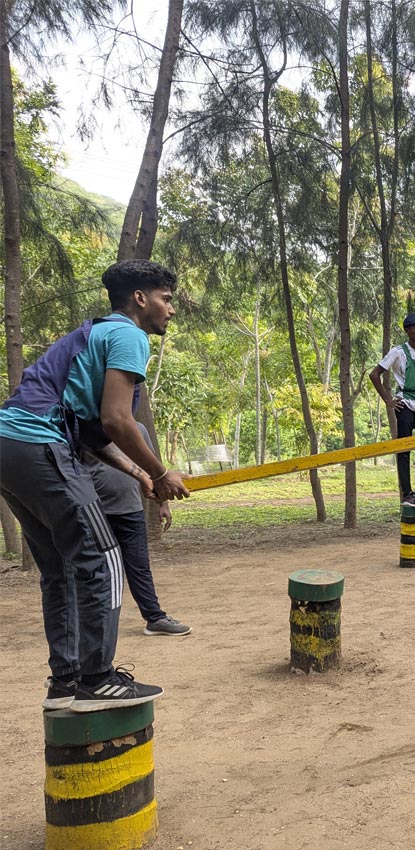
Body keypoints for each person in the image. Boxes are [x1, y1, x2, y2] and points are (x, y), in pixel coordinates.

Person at [0, 259, 189, 712]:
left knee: (62, 569)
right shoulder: (128, 335)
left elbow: (92, 433)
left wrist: (140, 474)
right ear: (140, 298)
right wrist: (161, 473)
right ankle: (98, 680)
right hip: (39, 444)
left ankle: (66, 683)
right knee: (103, 557)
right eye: (166, 299)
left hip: (10, 446)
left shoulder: (91, 334)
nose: (170, 309)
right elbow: (117, 420)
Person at [82, 423, 191, 636]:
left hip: (131, 510)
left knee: (139, 567)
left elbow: (154, 469)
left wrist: (163, 503)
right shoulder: (85, 427)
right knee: (97, 569)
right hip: (95, 511)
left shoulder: (138, 429)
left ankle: (155, 618)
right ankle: (93, 622)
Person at [370, 313, 415, 508]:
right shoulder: (398, 352)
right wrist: (388, 400)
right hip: (405, 404)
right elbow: (374, 374)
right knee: (404, 448)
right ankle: (407, 494)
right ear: (408, 330)